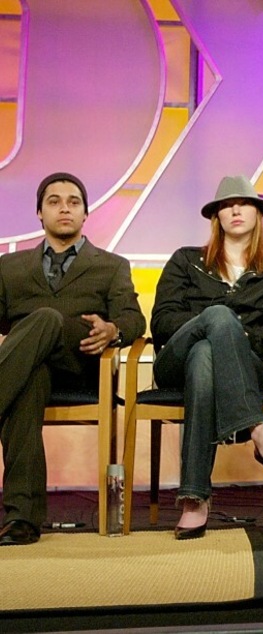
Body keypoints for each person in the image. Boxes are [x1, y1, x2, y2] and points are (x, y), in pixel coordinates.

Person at [0, 172, 146, 546]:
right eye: (54, 201)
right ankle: (22, 520)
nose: (64, 207)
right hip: (27, 369)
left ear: (84, 215)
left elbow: (133, 317)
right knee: (25, 384)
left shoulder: (111, 265)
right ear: (38, 213)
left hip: (82, 364)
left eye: (73, 202)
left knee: (47, 317)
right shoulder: (9, 267)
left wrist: (113, 330)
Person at [150, 175, 263, 540]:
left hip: (241, 366)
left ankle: (194, 499)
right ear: (217, 216)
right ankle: (258, 427)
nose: (235, 209)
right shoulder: (186, 261)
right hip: (174, 363)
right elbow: (163, 322)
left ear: (258, 214)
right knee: (215, 321)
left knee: (206, 356)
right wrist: (213, 323)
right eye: (226, 204)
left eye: (244, 203)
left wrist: (225, 338)